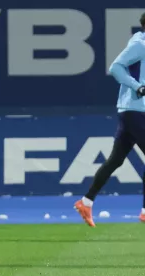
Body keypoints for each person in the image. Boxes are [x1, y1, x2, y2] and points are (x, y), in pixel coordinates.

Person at [75, 13, 145, 227]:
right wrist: (137, 87)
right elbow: (115, 66)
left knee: (116, 160)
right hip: (136, 109)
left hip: (132, 110)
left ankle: (86, 202)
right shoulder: (140, 44)